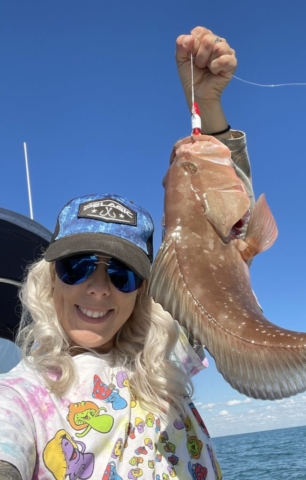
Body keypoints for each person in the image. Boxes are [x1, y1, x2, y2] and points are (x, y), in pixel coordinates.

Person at [0, 27, 254, 480]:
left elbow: (226, 225)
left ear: (143, 291)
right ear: (49, 278)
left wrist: (209, 106)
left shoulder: (167, 359)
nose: (99, 289)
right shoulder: (21, 394)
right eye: (77, 266)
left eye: (122, 274)